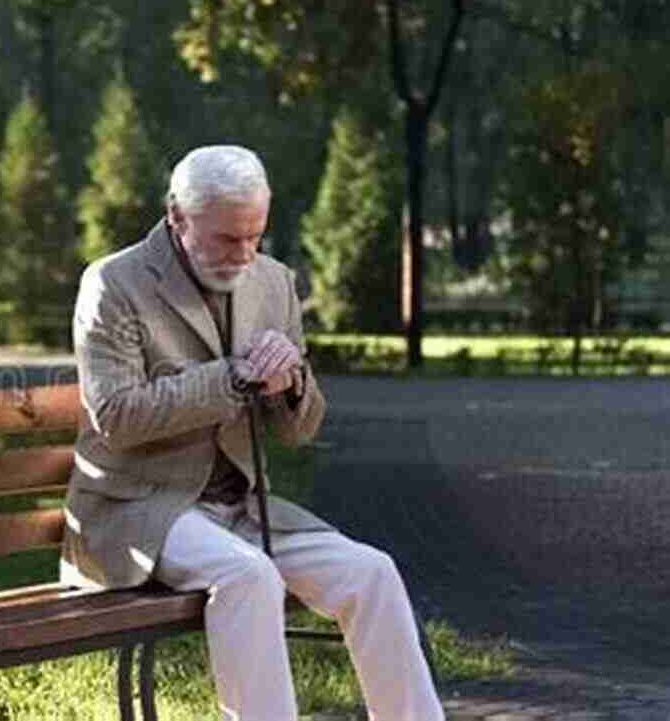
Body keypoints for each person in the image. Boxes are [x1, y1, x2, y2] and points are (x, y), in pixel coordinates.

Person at [59, 145, 443, 720]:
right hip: (139, 505)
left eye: (254, 236)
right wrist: (233, 376)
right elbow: (116, 417)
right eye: (226, 240)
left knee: (372, 573)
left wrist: (287, 384)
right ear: (176, 217)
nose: (244, 255)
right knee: (249, 576)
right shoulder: (114, 283)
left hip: (244, 508)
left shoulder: (273, 282)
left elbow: (299, 430)